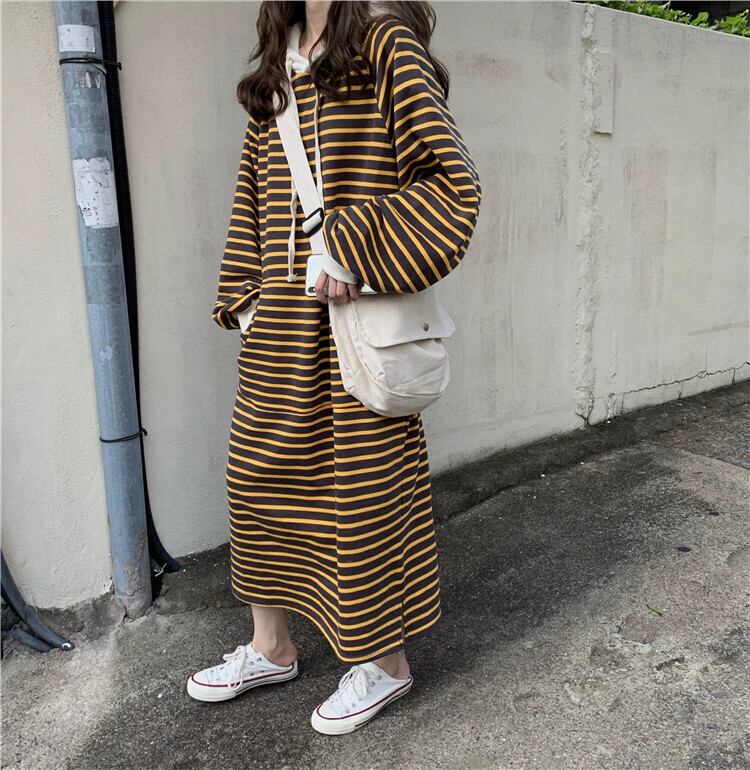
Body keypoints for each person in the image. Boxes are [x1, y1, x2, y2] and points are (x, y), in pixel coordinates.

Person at [188, 0, 481, 735]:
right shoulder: (279, 61)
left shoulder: (384, 43)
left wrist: (353, 245)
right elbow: (254, 193)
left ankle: (387, 664)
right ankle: (272, 646)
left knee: (362, 491)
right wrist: (248, 297)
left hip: (359, 318)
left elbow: (452, 183)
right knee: (255, 477)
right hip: (281, 325)